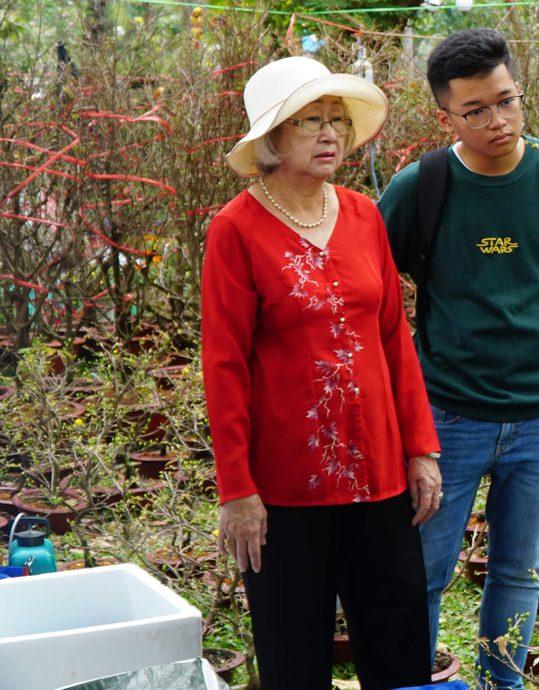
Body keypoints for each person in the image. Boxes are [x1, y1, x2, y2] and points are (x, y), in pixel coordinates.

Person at [377, 28, 539, 688]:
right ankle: (417, 680)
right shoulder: (423, 187)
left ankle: (504, 680)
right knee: (426, 571)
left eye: (508, 101)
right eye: (477, 110)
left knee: (518, 570)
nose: (498, 121)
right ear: (446, 117)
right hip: (447, 418)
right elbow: (371, 291)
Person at [203, 56, 442, 690]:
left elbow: (394, 339)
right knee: (293, 648)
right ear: (272, 139)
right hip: (284, 487)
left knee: (398, 639)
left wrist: (421, 450)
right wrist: (236, 489)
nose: (330, 133)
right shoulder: (235, 230)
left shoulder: (364, 215)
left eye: (337, 119)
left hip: (380, 473)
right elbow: (224, 364)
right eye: (309, 121)